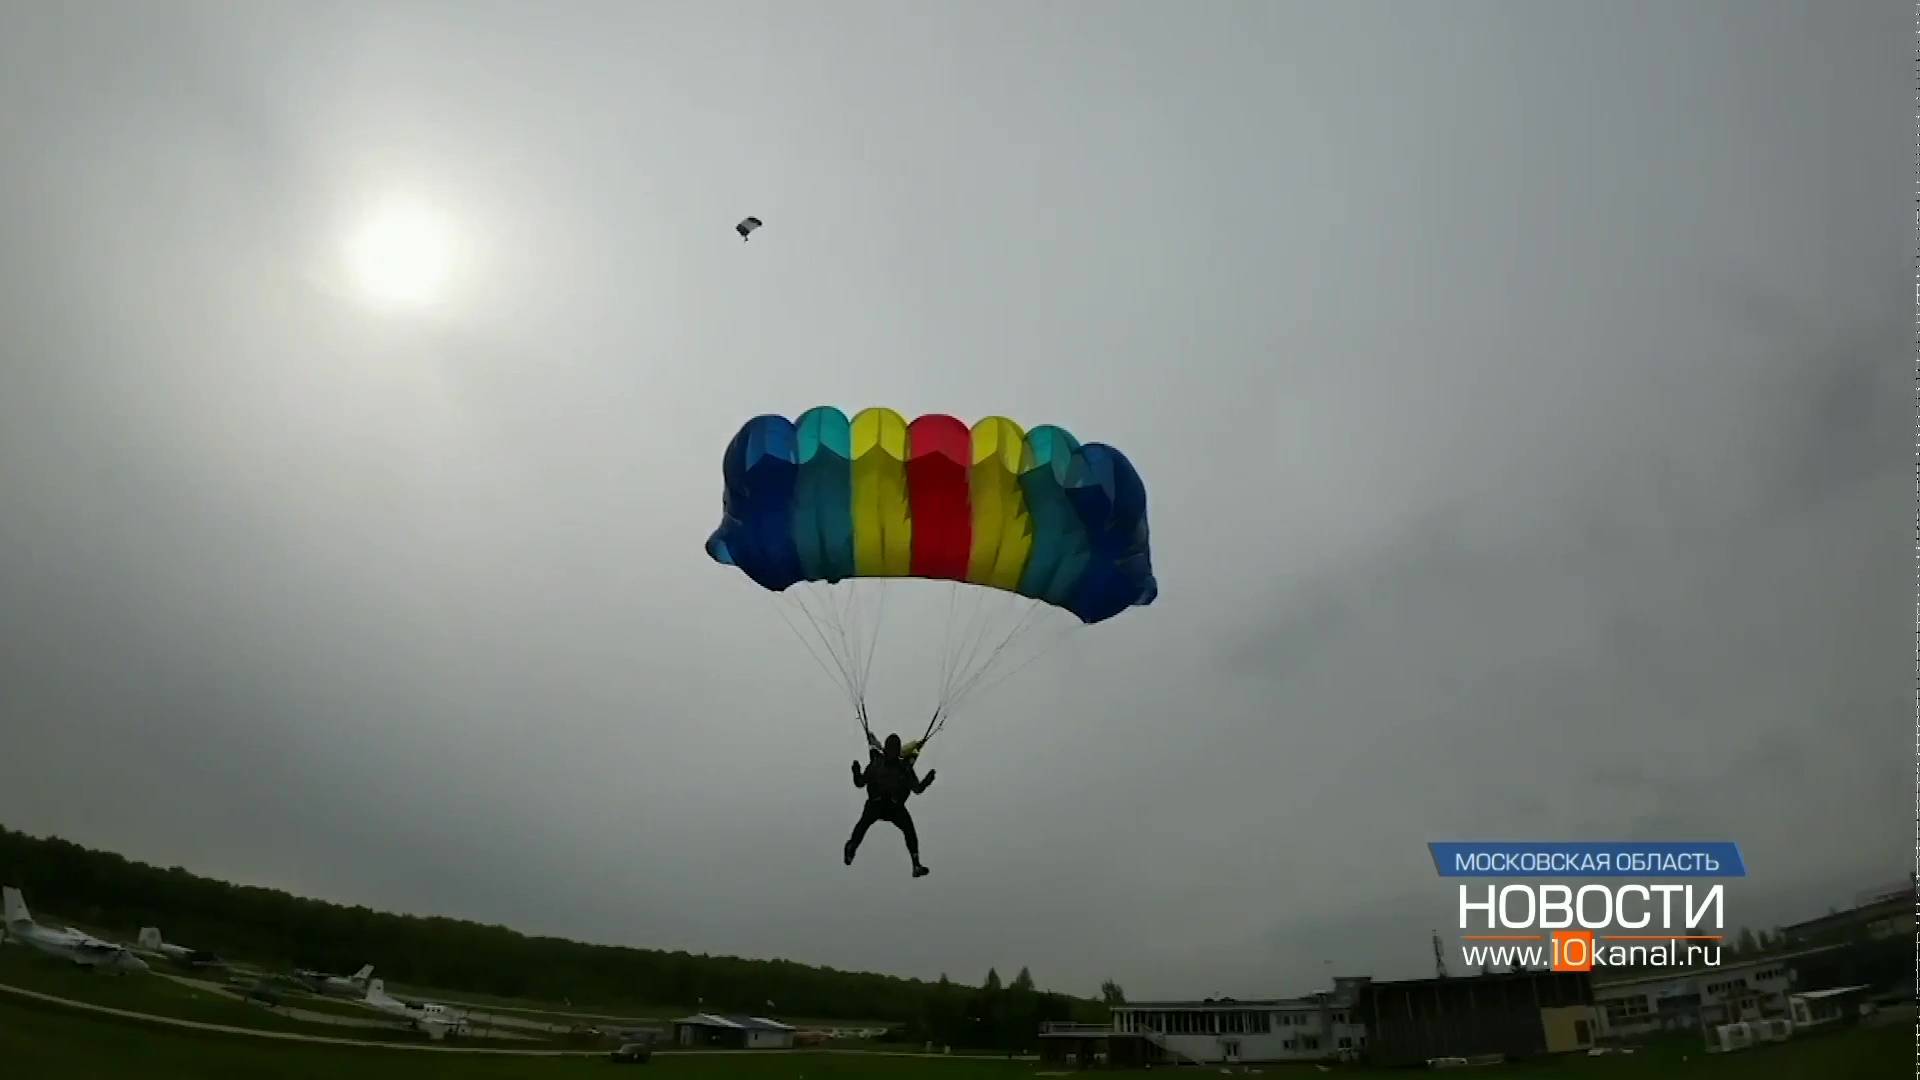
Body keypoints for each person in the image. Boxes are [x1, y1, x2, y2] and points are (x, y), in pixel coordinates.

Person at [845, 732, 935, 877]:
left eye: (895, 749)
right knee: (864, 823)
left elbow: (917, 789)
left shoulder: (904, 768)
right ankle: (851, 847)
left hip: (895, 808)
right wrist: (856, 771)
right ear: (886, 749)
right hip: (876, 804)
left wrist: (927, 780)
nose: (893, 752)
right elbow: (860, 783)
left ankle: (916, 863)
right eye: (891, 749)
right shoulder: (877, 764)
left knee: (909, 830)